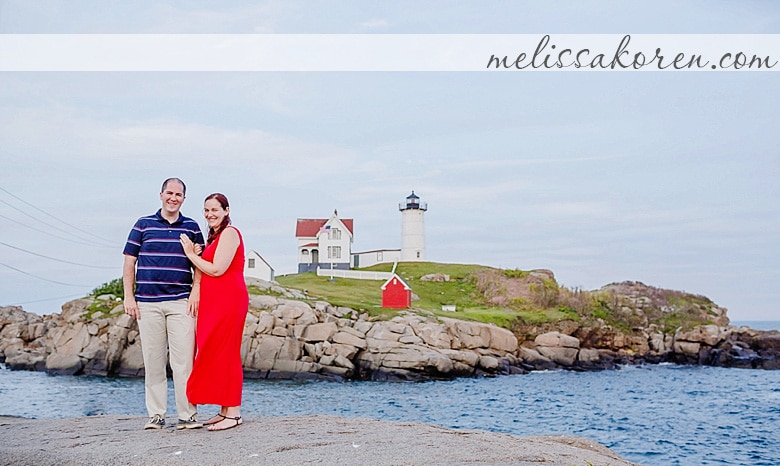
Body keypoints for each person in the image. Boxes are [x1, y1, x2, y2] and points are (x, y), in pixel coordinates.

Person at [123, 177, 205, 431]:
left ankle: (187, 416)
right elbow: (129, 263)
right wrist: (129, 296)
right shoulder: (143, 224)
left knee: (184, 363)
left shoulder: (191, 226)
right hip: (147, 304)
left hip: (181, 302)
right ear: (160, 195)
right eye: (169, 193)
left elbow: (200, 262)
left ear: (183, 198)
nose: (173, 198)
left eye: (178, 194)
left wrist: (196, 292)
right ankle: (156, 416)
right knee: (154, 361)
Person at [180, 192, 249, 432]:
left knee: (227, 353)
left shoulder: (230, 233)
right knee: (215, 352)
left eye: (215, 210)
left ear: (226, 211)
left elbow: (218, 270)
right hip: (215, 302)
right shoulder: (215, 237)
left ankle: (235, 413)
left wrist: (191, 255)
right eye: (206, 210)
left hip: (229, 300)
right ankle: (224, 410)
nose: (210, 214)